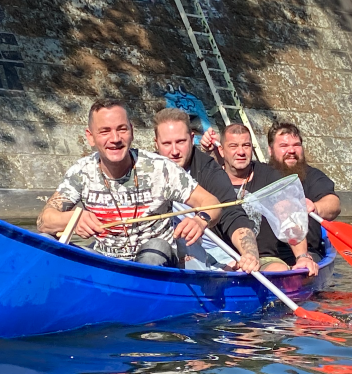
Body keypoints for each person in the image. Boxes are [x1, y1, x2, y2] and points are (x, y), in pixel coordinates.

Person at [38, 99, 221, 267]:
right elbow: (44, 220)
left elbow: (211, 203)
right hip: (103, 259)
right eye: (105, 131)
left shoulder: (161, 168)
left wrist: (200, 220)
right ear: (90, 136)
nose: (115, 138)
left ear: (132, 132)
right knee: (44, 242)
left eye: (122, 129)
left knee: (155, 248)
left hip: (156, 260)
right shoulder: (81, 172)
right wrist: (72, 219)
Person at [152, 108, 260, 273]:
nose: (174, 151)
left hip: (212, 254)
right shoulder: (146, 169)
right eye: (167, 144)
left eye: (181, 142)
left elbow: (233, 215)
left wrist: (249, 254)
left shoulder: (210, 170)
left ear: (192, 138)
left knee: (186, 239)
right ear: (156, 143)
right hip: (160, 249)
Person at [211, 123, 319, 276]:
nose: (241, 152)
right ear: (221, 151)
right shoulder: (210, 177)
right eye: (233, 146)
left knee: (278, 270)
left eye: (246, 145)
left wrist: (302, 257)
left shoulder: (270, 176)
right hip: (221, 258)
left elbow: (288, 214)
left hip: (265, 259)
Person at [266, 121, 340, 263]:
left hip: (309, 251)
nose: (291, 151)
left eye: (296, 145)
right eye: (284, 146)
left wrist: (315, 207)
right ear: (270, 150)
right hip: (268, 253)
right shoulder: (260, 174)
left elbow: (333, 203)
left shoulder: (313, 176)